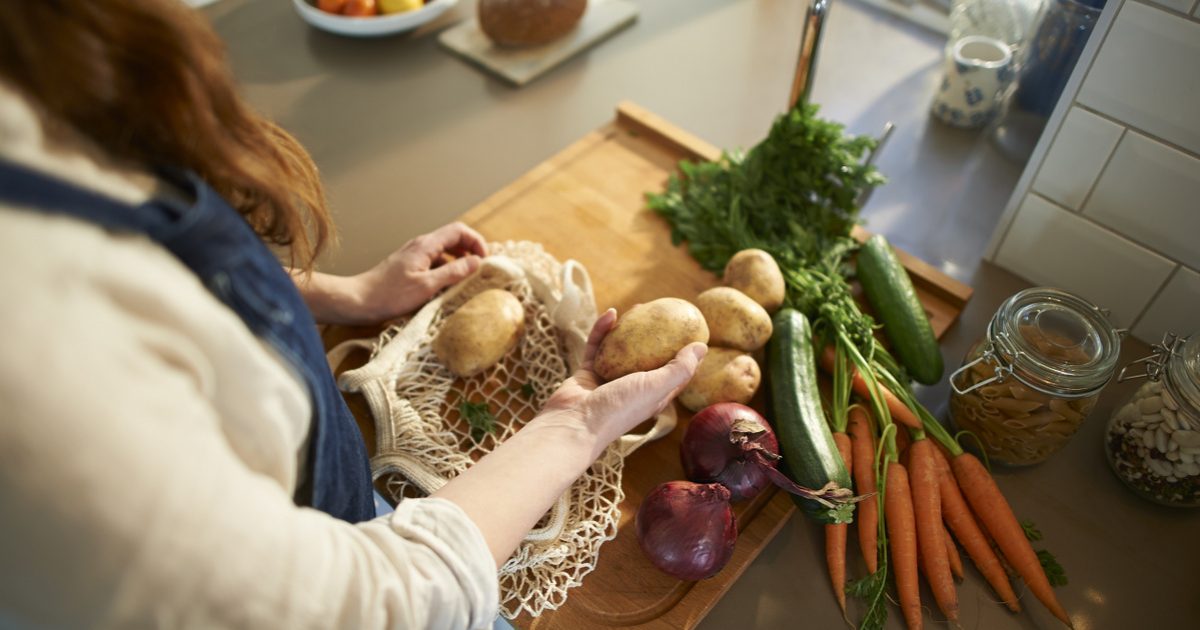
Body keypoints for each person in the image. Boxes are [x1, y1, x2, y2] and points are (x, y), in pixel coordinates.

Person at [0, 2, 706, 628]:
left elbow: (147, 273)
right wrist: (574, 424)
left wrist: (343, 295)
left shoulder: (44, 53)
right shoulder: (35, 372)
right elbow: (380, 606)